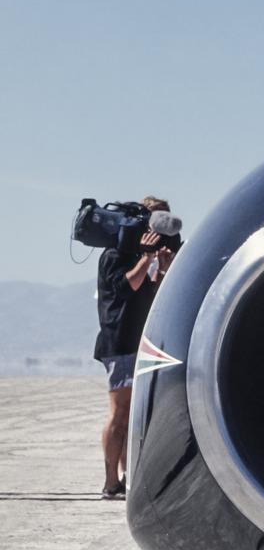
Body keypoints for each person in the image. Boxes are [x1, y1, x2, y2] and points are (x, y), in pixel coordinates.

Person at [93, 196, 180, 499]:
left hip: (140, 341)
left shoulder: (142, 255)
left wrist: (164, 268)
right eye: (155, 222)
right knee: (120, 412)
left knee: (134, 414)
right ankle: (109, 481)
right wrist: (145, 258)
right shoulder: (116, 254)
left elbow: (151, 297)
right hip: (120, 342)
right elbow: (125, 286)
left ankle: (127, 476)